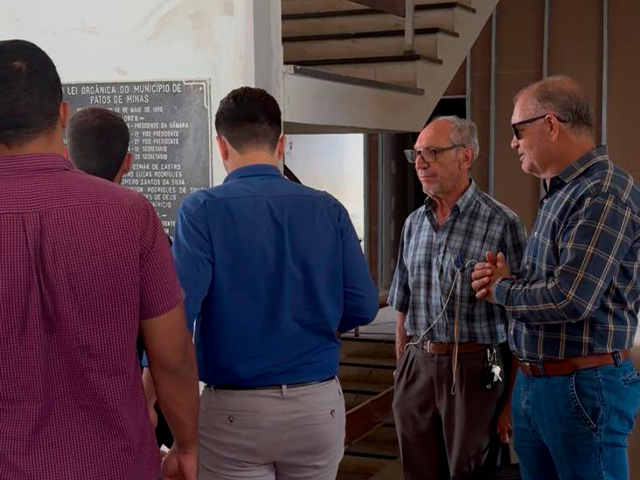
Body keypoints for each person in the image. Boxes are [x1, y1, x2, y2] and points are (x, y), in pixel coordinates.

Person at [0, 40, 199, 480]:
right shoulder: (130, 214)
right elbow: (172, 358)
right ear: (63, 115)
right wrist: (186, 445)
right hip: (115, 463)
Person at [172, 86, 379, 480]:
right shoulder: (328, 208)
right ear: (281, 144)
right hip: (316, 402)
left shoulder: (201, 210)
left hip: (236, 410)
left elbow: (178, 314)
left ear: (220, 145)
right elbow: (364, 305)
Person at [471, 75, 640, 480]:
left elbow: (571, 298)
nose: (512, 143)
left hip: (581, 385)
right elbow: (553, 282)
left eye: (518, 130)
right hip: (540, 384)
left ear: (550, 124)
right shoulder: (563, 191)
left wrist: (501, 288)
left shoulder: (601, 192)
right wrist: (508, 280)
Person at [388, 116, 527, 480]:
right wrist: (403, 369)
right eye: (416, 154)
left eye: (432, 152)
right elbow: (401, 301)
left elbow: (521, 318)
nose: (420, 163)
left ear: (466, 156)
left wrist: (511, 402)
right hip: (418, 366)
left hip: (477, 368)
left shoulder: (502, 222)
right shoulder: (413, 224)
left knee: (472, 473)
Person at [66, 106, 174, 450]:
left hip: (53, 412)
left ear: (67, 156)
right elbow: (167, 340)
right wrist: (151, 403)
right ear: (127, 162)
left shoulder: (37, 224)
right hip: (128, 406)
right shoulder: (145, 229)